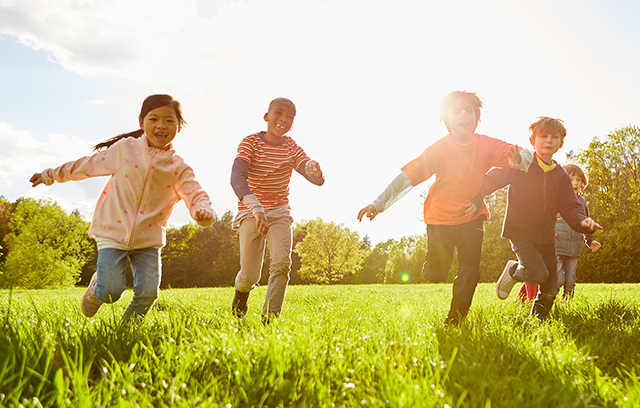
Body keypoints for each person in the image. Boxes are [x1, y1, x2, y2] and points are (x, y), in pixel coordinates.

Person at [30, 94, 214, 321]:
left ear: (179, 126)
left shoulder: (178, 167)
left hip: (149, 239)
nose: (161, 125)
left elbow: (194, 192)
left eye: (169, 120)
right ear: (141, 123)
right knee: (110, 292)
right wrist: (49, 175)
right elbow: (87, 166)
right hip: (112, 232)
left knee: (148, 293)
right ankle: (96, 289)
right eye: (153, 119)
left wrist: (202, 211)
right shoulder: (126, 150)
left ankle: (126, 331)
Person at [357, 90, 532, 325]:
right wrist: (378, 204)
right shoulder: (439, 149)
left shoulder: (486, 144)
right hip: (439, 218)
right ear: (447, 119)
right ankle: (432, 266)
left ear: (476, 117)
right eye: (457, 110)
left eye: (468, 110)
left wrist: (519, 159)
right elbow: (406, 179)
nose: (463, 115)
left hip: (472, 217)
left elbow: (522, 154)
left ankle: (455, 319)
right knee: (435, 273)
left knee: (470, 270)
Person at [467, 117, 603, 321]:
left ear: (561, 143)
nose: (548, 140)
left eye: (554, 137)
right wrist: (477, 199)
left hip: (547, 236)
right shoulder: (521, 164)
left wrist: (582, 222)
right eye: (543, 136)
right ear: (532, 141)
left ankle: (536, 323)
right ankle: (513, 270)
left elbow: (570, 206)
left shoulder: (561, 177)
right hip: (520, 231)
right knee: (538, 274)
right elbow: (492, 179)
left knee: (550, 288)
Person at [230, 97, 324, 323]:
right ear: (266, 117)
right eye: (279, 113)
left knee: (282, 263)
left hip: (280, 212)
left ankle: (270, 319)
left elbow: (314, 177)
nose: (283, 119)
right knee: (250, 275)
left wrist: (315, 171)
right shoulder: (250, 143)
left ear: (292, 124)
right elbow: (236, 178)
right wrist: (256, 208)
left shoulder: (291, 147)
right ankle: (241, 293)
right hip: (251, 211)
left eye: (289, 117)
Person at [516, 163, 602, 302]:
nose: (574, 182)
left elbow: (585, 224)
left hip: (574, 249)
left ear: (582, 183)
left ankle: (567, 305)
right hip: (556, 247)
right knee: (559, 280)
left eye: (578, 179)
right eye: (570, 178)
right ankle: (537, 298)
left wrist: (590, 241)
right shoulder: (556, 200)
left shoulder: (582, 202)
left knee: (570, 282)